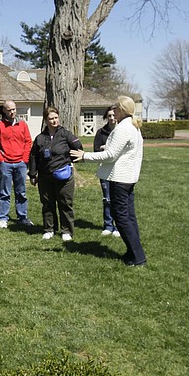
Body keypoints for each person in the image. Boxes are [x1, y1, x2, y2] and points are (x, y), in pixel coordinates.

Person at [72, 95, 146, 267]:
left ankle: (138, 256)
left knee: (121, 217)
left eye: (115, 107)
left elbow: (110, 155)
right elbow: (123, 151)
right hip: (129, 178)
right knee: (129, 216)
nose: (113, 110)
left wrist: (85, 156)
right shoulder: (133, 127)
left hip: (120, 178)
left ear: (121, 109)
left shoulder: (123, 128)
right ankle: (133, 251)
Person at [28, 107, 83, 242]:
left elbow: (79, 148)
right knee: (47, 204)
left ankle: (67, 231)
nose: (54, 121)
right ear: (46, 121)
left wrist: (69, 162)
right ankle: (49, 229)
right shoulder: (40, 138)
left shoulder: (66, 134)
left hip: (64, 177)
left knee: (65, 203)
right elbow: (33, 156)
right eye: (51, 118)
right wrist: (33, 174)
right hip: (45, 177)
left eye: (56, 118)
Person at [0, 100, 33, 229]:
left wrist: (24, 159)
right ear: (4, 111)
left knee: (21, 192)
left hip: (20, 163)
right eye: (9, 110)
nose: (12, 112)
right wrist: (0, 159)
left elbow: (28, 141)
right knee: (4, 192)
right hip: (6, 164)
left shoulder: (22, 124)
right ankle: (3, 217)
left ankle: (22, 217)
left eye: (14, 109)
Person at [93, 106, 120, 237]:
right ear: (106, 117)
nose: (112, 118)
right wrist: (106, 149)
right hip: (104, 169)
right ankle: (108, 225)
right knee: (107, 199)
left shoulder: (122, 131)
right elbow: (96, 150)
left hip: (120, 170)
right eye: (109, 116)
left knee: (118, 199)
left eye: (114, 115)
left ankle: (118, 227)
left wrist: (107, 148)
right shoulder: (101, 132)